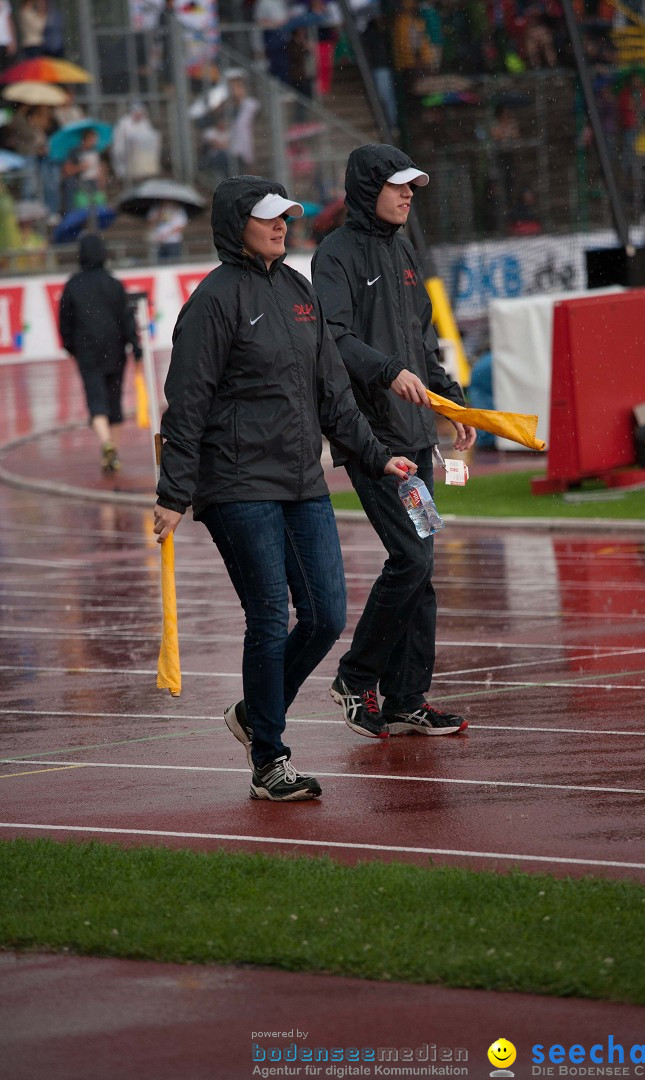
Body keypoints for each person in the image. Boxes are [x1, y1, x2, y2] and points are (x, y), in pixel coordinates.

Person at [152, 175, 416, 801]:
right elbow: (185, 403)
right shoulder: (212, 301)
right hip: (237, 484)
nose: (282, 227)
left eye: (286, 218)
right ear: (235, 224)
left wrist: (379, 459)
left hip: (301, 479)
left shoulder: (300, 290)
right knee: (269, 616)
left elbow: (335, 391)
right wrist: (173, 492)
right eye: (268, 218)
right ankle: (270, 755)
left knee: (325, 615)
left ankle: (253, 714)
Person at [311, 143, 476, 740]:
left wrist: (451, 399)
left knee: (422, 565)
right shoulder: (335, 255)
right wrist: (385, 372)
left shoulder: (403, 249)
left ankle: (408, 698)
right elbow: (333, 338)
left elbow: (418, 346)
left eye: (413, 185)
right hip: (372, 440)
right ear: (368, 189)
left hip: (415, 437)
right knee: (411, 558)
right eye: (399, 184)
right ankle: (357, 678)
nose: (409, 194)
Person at [59, 233, 143, 474]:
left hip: (87, 350)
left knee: (96, 399)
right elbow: (127, 319)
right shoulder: (113, 283)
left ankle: (107, 444)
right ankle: (112, 450)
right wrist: (135, 347)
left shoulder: (73, 284)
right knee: (114, 400)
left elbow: (65, 320)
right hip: (114, 349)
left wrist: (70, 346)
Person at [111, 102, 161, 184]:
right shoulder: (123, 124)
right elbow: (118, 146)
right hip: (127, 160)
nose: (139, 115)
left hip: (142, 160)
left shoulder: (145, 123)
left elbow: (149, 138)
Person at [0, 0, 17, 72]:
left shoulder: (5, 2)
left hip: (6, 41)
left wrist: (13, 40)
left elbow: (9, 20)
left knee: (7, 69)